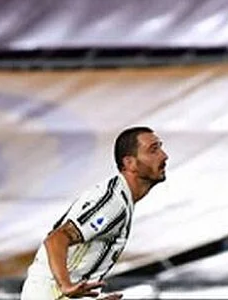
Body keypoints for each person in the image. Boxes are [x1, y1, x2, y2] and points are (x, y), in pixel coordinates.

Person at [21, 127, 168, 299]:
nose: (164, 156)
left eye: (160, 148)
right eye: (153, 150)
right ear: (130, 163)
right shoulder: (114, 203)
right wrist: (66, 286)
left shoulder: (122, 198)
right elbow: (56, 239)